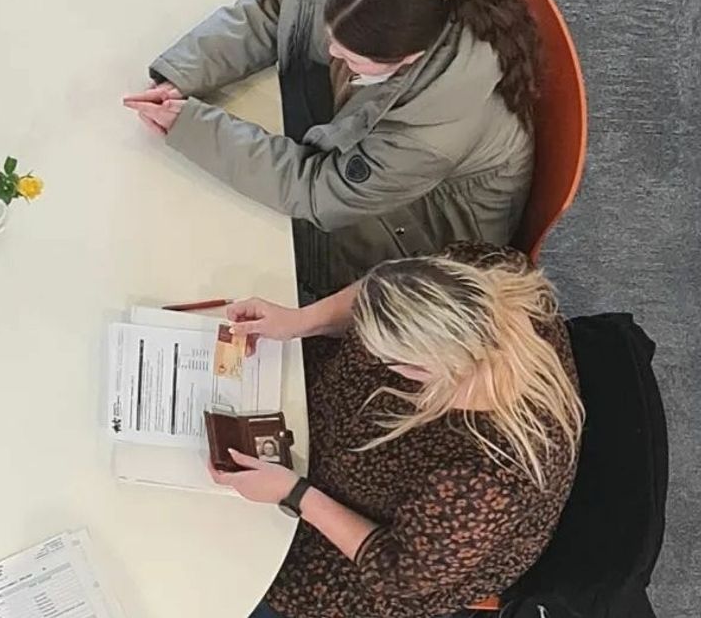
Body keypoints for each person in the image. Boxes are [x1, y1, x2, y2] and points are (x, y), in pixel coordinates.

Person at [122, 0, 540, 299]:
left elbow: (320, 191)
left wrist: (195, 127)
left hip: (415, 239)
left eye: (351, 56)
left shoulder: (431, 135)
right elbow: (280, 11)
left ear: (408, 60)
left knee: (209, 233)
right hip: (377, 174)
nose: (331, 51)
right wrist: (184, 71)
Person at [210, 243, 583, 618]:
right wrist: (301, 321)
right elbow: (378, 291)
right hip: (329, 428)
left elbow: (397, 571)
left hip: (373, 551)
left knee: (220, 572)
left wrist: (295, 494)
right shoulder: (487, 269)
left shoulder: (485, 479)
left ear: (422, 371)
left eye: (379, 352)